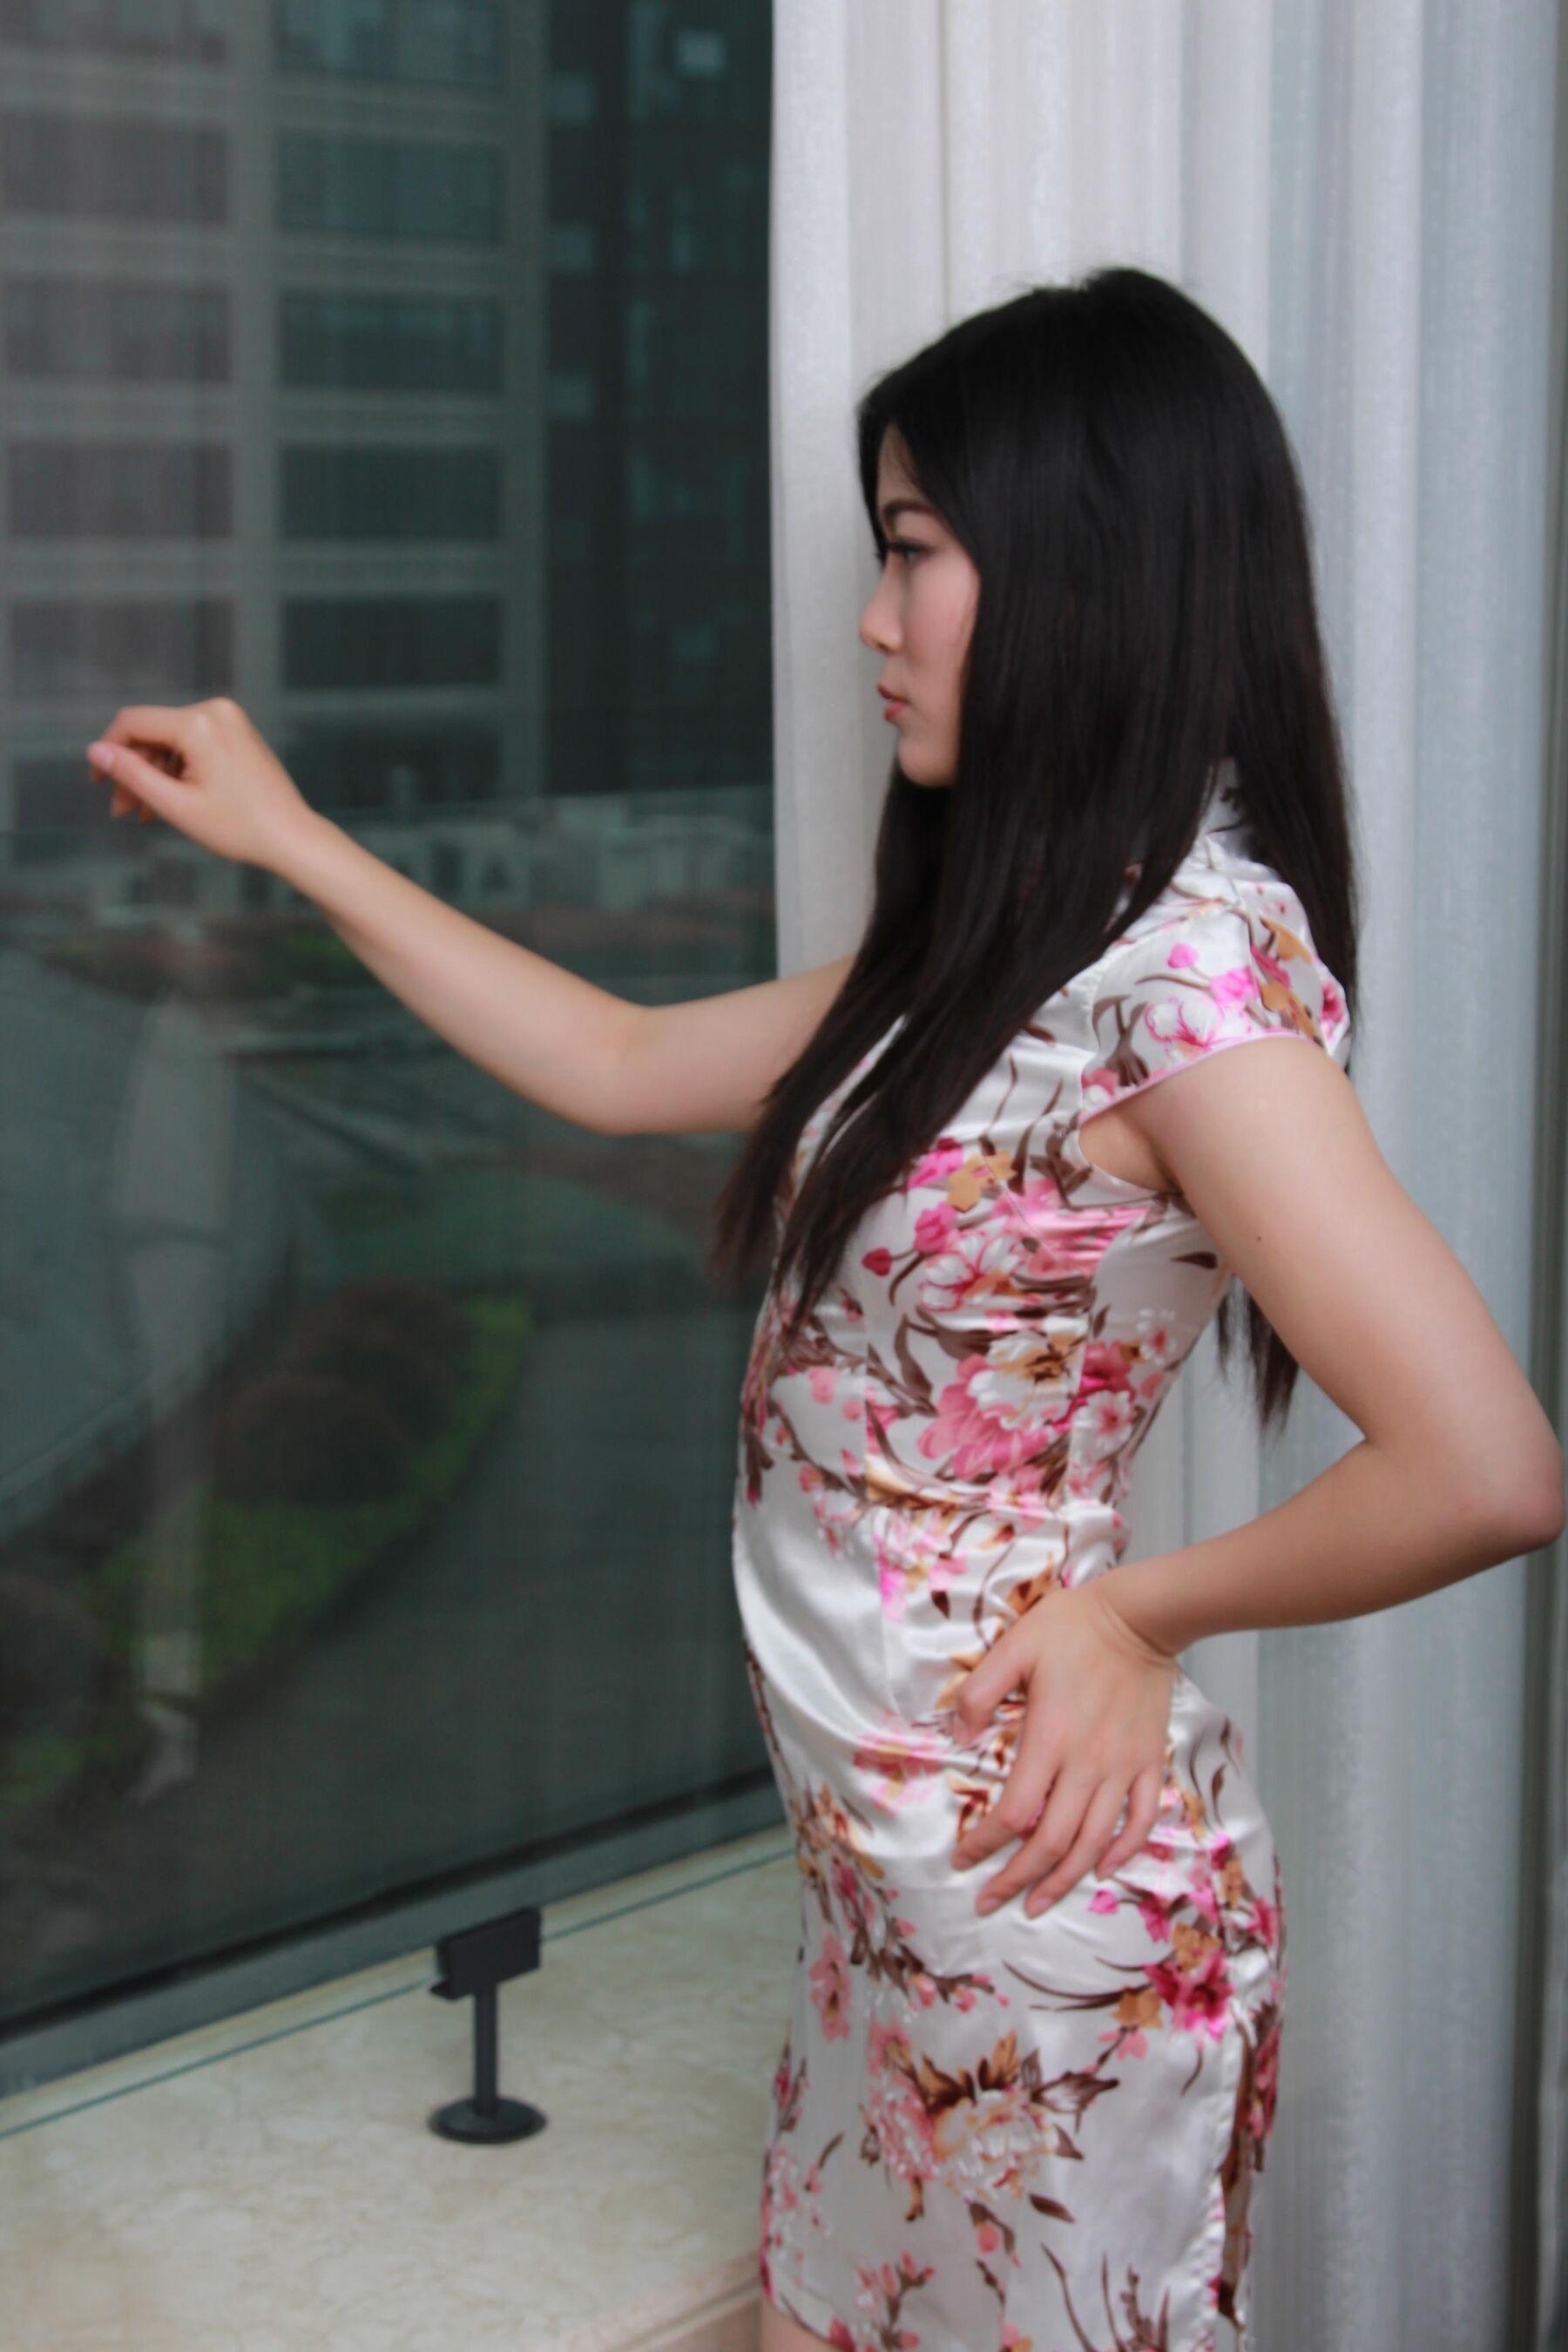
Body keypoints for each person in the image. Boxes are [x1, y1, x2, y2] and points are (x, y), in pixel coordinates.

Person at [83, 266, 1565, 2352]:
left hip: (1044, 1948)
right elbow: (615, 1058)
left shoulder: (1188, 981)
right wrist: (295, 842)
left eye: (915, 553)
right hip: (887, 1916)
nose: (873, 620)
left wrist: (1137, 1615)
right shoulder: (1013, 942)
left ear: (1085, 571)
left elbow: (1489, 1464)